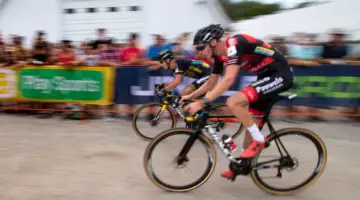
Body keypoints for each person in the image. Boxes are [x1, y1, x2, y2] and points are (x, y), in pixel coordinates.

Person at [183, 24, 294, 179]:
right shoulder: (219, 56)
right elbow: (210, 83)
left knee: (233, 101)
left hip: (280, 74)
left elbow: (228, 79)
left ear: (213, 42)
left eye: (201, 48)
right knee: (247, 144)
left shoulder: (234, 44)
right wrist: (190, 96)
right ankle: (240, 167)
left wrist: (202, 103)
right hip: (265, 76)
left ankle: (260, 139)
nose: (199, 53)